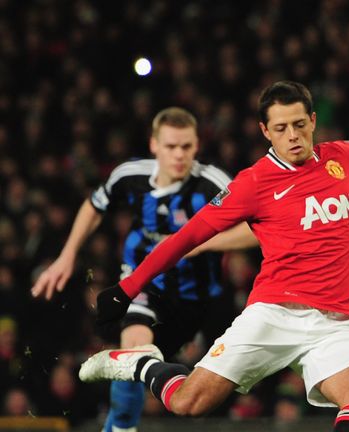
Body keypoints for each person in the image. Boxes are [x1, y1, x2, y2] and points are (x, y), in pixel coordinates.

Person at [77, 81, 349, 432]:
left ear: (313, 121)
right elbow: (186, 237)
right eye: (280, 128)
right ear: (265, 131)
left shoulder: (339, 157)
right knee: (187, 403)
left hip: (336, 322)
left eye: (299, 124)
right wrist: (127, 290)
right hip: (273, 314)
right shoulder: (253, 183)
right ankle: (139, 363)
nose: (292, 136)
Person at [31, 107, 256, 432]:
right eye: (170, 146)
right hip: (146, 280)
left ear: (196, 146)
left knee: (207, 392)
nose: (179, 155)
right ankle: (121, 426)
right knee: (134, 349)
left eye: (186, 147)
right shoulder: (129, 175)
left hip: (200, 295)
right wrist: (67, 255)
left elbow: (256, 229)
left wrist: (197, 243)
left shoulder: (213, 183)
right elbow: (94, 206)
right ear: (154, 145)